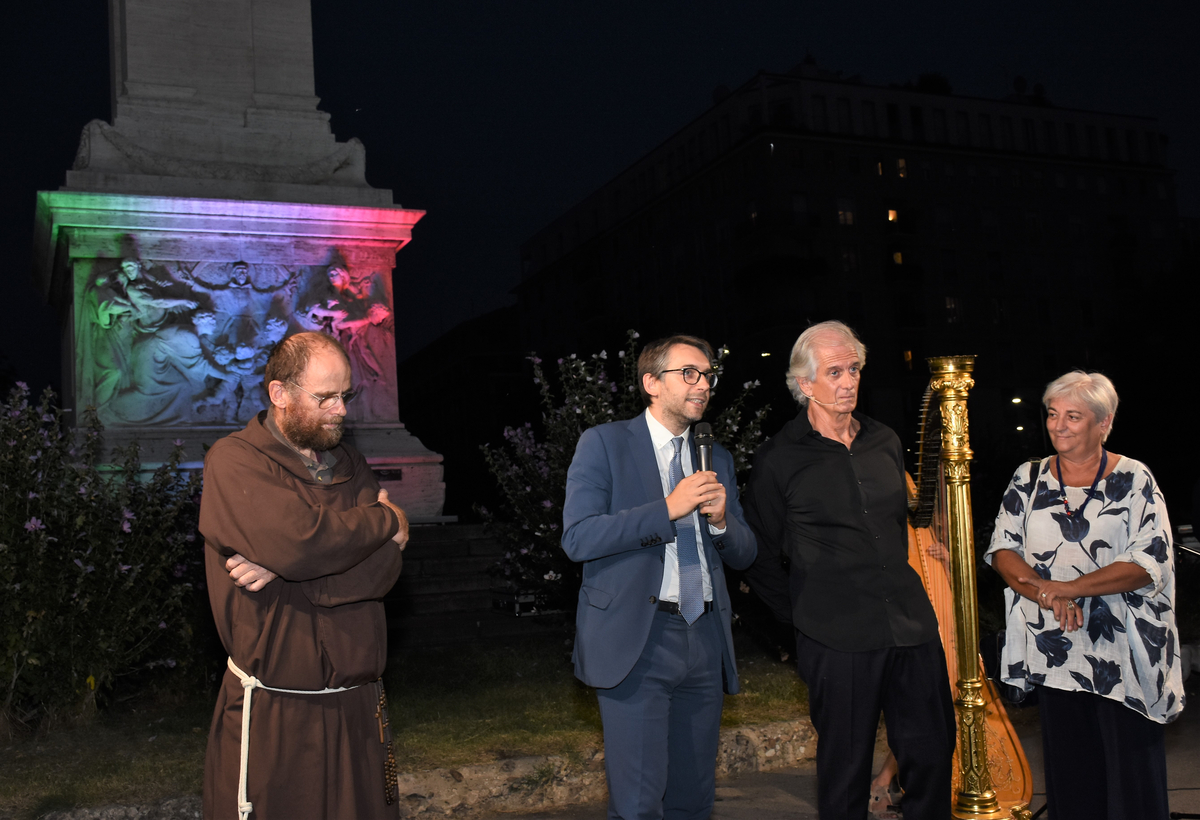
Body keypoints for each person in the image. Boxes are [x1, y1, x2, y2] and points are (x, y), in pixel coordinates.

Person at [742, 320, 956, 820]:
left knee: (930, 756)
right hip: (835, 636)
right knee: (845, 772)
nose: (848, 381)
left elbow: (904, 523)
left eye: (853, 368)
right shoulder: (778, 460)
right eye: (834, 371)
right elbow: (759, 556)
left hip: (910, 625)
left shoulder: (884, 440)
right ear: (804, 384)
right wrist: (801, 622)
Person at [200, 331, 409, 820]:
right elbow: (302, 543)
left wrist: (290, 567)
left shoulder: (351, 465)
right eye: (324, 398)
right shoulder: (234, 461)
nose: (340, 409)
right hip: (277, 715)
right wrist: (387, 522)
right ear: (280, 395)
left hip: (359, 707)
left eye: (345, 396)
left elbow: (385, 568)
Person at [562, 334, 757, 820]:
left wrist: (720, 522)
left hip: (704, 637)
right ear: (651, 382)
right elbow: (579, 538)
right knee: (639, 804)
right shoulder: (605, 443)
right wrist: (667, 510)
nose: (703, 384)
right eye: (688, 373)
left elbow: (746, 553)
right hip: (638, 641)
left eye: (708, 374)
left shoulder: (718, 458)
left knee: (694, 799)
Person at [984, 370, 1183, 820]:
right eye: (1053, 414)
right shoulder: (1028, 477)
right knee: (1073, 780)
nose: (1058, 425)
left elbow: (1149, 562)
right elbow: (1002, 550)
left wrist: (1068, 587)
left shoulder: (1134, 478)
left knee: (1132, 779)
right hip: (1056, 649)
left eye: (1073, 416)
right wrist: (1047, 596)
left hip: (1124, 652)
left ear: (1103, 423)